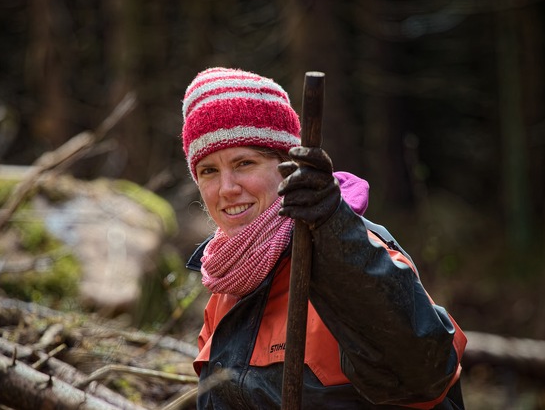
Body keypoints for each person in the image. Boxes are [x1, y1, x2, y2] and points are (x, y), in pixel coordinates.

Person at [181, 67, 467, 409]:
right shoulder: (228, 280)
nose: (226, 188)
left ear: (288, 166)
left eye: (244, 163)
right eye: (209, 171)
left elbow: (424, 374)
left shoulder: (359, 252)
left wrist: (334, 231)